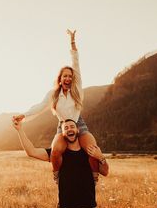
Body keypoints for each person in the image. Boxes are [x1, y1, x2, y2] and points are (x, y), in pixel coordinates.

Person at [12, 30, 97, 182]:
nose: (68, 78)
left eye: (70, 76)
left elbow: (76, 64)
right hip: (62, 126)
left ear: (73, 79)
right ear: (60, 79)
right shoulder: (53, 94)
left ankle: (94, 175)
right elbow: (39, 106)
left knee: (92, 149)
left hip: (79, 124)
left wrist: (72, 43)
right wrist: (24, 115)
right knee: (56, 151)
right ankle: (57, 174)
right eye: (65, 76)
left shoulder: (77, 91)